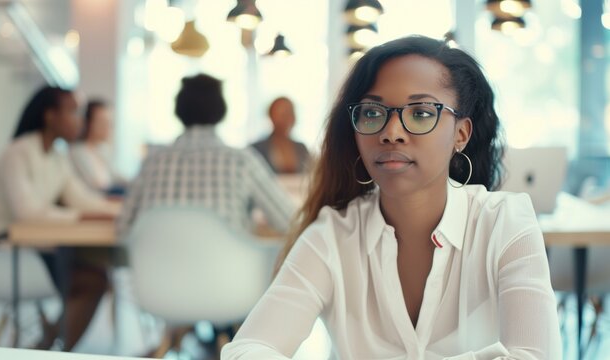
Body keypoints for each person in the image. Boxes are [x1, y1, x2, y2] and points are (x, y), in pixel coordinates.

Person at [221, 36, 561, 359]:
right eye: (372, 113)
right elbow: (247, 350)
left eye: (421, 112)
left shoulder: (504, 223)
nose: (391, 133)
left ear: (461, 134)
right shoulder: (332, 236)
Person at [0, 85, 120, 350]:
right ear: (50, 116)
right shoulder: (18, 153)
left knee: (97, 278)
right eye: (73, 112)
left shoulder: (57, 156)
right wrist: (80, 217)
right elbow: (28, 213)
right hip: (5, 254)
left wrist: (121, 210)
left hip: (35, 250)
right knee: (92, 279)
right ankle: (46, 349)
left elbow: (81, 198)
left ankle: (45, 349)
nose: (80, 121)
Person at [117, 74, 294, 237]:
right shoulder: (242, 161)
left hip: (153, 270)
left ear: (179, 109)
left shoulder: (152, 162)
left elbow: (124, 228)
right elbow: (289, 220)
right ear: (221, 110)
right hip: (228, 269)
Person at [69, 99, 127, 195]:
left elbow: (115, 175)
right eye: (102, 122)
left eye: (109, 122)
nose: (108, 127)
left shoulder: (103, 149)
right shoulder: (77, 152)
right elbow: (96, 186)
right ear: (88, 123)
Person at [251, 97, 310, 174]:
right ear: (271, 116)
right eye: (283, 114)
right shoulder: (256, 149)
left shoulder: (301, 148)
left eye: (290, 113)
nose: (287, 119)